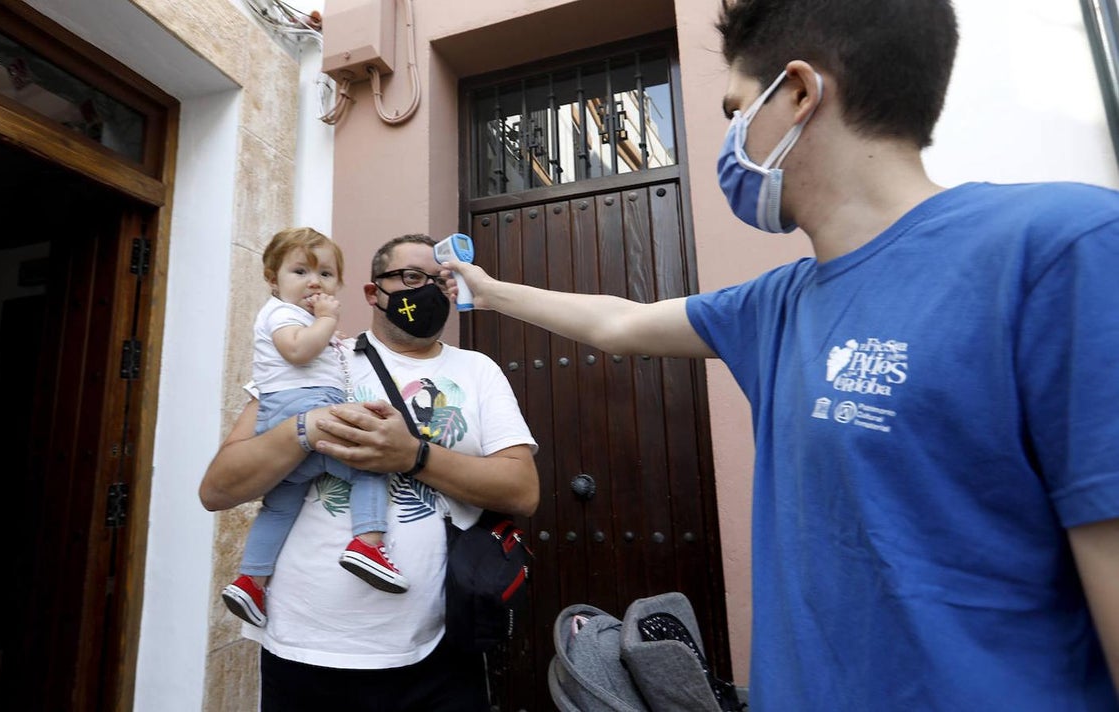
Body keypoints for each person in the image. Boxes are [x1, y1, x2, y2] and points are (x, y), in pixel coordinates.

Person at [441, 1, 1119, 709]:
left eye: (737, 110)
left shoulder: (1064, 254)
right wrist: (486, 291)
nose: (731, 138)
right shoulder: (777, 303)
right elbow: (621, 322)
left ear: (797, 93)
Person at [200, 233, 538, 711]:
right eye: (410, 277)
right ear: (371, 292)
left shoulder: (478, 370)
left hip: (438, 648)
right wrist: (306, 428)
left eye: (441, 282)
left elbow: (522, 491)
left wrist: (413, 456)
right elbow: (218, 488)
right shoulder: (316, 358)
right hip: (304, 650)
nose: (426, 291)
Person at [221, 227, 410, 630]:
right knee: (369, 463)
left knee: (281, 503)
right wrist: (325, 321)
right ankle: (368, 544)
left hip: (283, 418)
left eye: (325, 274)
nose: (313, 281)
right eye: (300, 271)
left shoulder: (296, 319)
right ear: (273, 280)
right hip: (305, 408)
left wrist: (323, 332)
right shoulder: (281, 313)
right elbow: (298, 350)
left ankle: (252, 581)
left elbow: (308, 348)